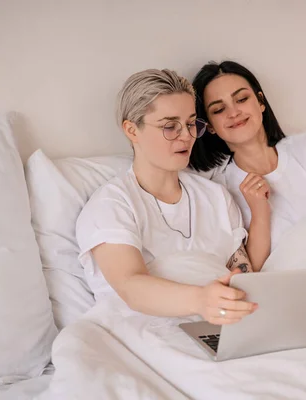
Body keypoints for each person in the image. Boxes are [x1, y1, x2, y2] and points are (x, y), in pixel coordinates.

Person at [75, 68, 258, 325]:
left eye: (191, 123)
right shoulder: (112, 204)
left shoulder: (216, 197)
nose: (186, 135)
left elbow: (244, 279)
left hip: (222, 331)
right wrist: (200, 300)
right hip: (145, 332)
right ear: (131, 130)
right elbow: (130, 286)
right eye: (170, 126)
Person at [189, 61, 306, 268]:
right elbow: (250, 272)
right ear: (210, 126)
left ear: (260, 102)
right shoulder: (218, 190)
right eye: (218, 109)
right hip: (292, 288)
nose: (233, 112)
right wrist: (260, 214)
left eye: (241, 99)